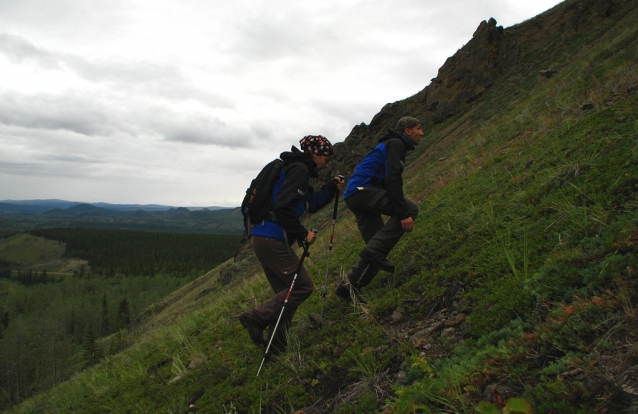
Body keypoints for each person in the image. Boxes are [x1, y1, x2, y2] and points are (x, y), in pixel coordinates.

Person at [239, 135, 345, 354]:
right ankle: (255, 318)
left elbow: (310, 203)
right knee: (303, 287)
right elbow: (283, 207)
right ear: (315, 154)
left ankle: (276, 345)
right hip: (272, 238)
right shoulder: (300, 170)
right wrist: (302, 233)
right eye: (326, 157)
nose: (328, 162)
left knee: (287, 296)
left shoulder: (294, 169)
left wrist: (331, 188)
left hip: (262, 237)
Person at [336, 116, 423, 300]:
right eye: (418, 128)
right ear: (407, 130)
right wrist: (403, 214)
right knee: (410, 209)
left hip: (353, 194)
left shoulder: (391, 144)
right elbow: (392, 179)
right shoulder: (396, 144)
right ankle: (372, 254)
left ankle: (349, 287)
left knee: (377, 245)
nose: (422, 133)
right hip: (363, 191)